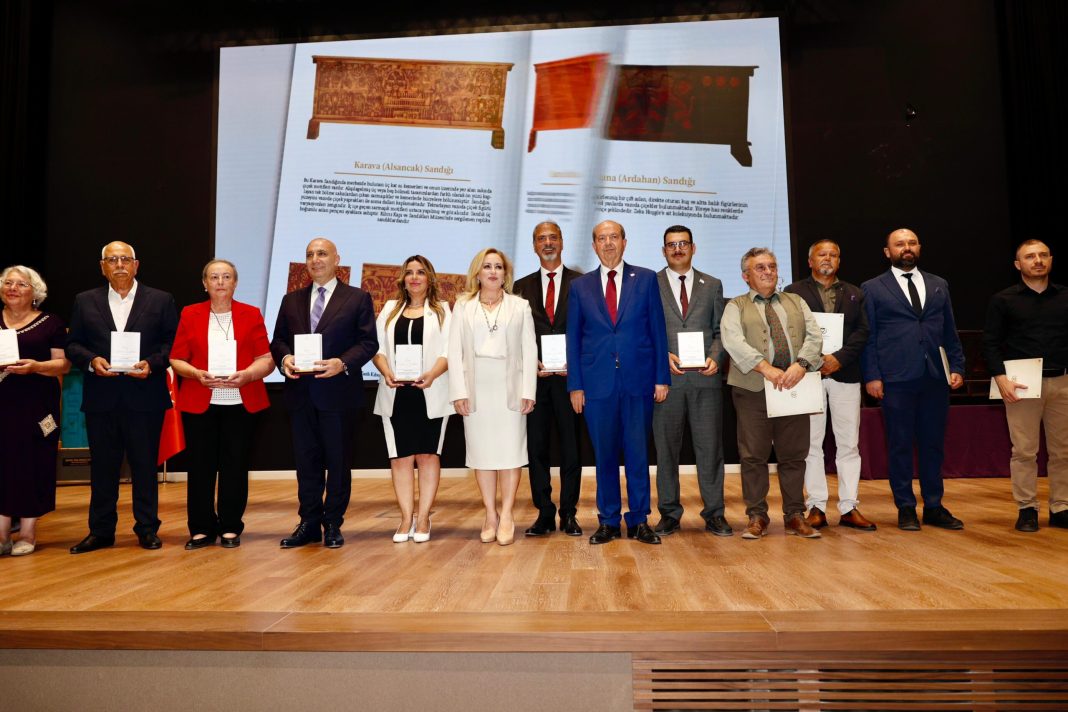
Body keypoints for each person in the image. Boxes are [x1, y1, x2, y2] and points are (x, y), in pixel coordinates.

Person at [66, 242, 178, 553]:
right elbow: (73, 345)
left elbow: (172, 343)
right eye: (112, 260)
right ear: (102, 267)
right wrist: (92, 361)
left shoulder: (161, 299)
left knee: (144, 467)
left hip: (145, 396)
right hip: (101, 398)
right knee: (103, 468)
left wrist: (152, 364)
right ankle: (101, 531)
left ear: (136, 265)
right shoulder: (84, 301)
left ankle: (147, 528)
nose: (119, 265)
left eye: (125, 259)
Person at [566, 220, 671, 545]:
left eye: (614, 237)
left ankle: (639, 520)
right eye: (602, 238)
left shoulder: (646, 279)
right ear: (594, 245)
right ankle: (608, 520)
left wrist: (661, 378)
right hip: (597, 385)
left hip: (638, 382)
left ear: (625, 242)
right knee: (605, 457)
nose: (608, 243)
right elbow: (573, 339)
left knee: (638, 454)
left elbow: (658, 330)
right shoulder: (580, 286)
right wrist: (575, 385)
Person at [271, 238, 378, 549]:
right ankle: (308, 522)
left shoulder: (357, 298)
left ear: (336, 259)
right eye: (310, 254)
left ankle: (332, 523)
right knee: (306, 462)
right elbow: (278, 341)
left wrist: (341, 363)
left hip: (339, 394)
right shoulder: (291, 300)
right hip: (300, 394)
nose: (315, 259)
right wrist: (285, 359)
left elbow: (368, 343)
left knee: (338, 462)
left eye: (322, 254)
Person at [861, 228, 966, 531]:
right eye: (899, 244)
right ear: (887, 252)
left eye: (911, 243)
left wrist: (957, 366)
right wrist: (872, 376)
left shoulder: (938, 284)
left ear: (919, 247)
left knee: (933, 445)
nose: (906, 248)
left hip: (935, 377)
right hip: (895, 379)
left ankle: (934, 505)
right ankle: (905, 507)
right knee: (900, 445)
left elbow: (949, 330)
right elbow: (869, 337)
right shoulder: (872, 288)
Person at [169, 259, 275, 550]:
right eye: (214, 277)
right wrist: (196, 374)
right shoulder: (190, 313)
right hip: (200, 400)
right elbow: (176, 358)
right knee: (200, 467)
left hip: (242, 402)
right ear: (204, 283)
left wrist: (247, 375)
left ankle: (230, 526)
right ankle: (201, 528)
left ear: (235, 282)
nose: (220, 282)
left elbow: (266, 359)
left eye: (226, 277)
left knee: (235, 466)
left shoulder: (251, 314)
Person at [721, 247, 825, 540]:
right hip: (752, 389)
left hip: (793, 387)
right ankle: (757, 516)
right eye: (760, 268)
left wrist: (801, 365)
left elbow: (815, 335)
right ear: (746, 276)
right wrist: (765, 368)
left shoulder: (796, 301)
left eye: (772, 266)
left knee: (794, 455)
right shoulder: (736, 306)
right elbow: (733, 340)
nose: (768, 272)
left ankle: (795, 515)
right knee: (753, 455)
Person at [448, 247, 537, 546]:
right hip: (476, 389)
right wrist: (458, 392)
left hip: (510, 388)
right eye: (487, 266)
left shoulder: (520, 306)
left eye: (498, 267)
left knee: (511, 453)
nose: (493, 271)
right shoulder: (463, 306)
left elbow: (529, 350)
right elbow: (454, 352)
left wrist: (528, 391)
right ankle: (490, 515)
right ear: (477, 272)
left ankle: (508, 514)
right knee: (482, 455)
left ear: (505, 274)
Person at [785, 240, 876, 531]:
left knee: (849, 443)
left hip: (845, 374)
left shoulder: (855, 293)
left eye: (833, 254)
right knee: (811, 444)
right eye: (821, 254)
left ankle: (849, 507)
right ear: (810, 261)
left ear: (839, 261)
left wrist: (839, 359)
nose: (828, 258)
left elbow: (863, 332)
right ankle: (817, 506)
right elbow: (790, 332)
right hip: (808, 375)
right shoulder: (793, 292)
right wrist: (813, 359)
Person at [982, 239, 1068, 532]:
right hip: (1022, 384)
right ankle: (1027, 508)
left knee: (1063, 451)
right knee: (1024, 451)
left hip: (1063, 381)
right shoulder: (1003, 300)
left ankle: (1061, 507)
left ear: (1051, 260)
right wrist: (1000, 378)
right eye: (1030, 256)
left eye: (1043, 255)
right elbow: (990, 343)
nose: (1038, 260)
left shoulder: (1065, 297)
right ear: (1019, 264)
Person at [651, 225, 731, 537]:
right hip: (666, 382)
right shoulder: (650, 284)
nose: (678, 249)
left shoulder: (712, 284)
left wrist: (716, 356)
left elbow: (720, 329)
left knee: (710, 450)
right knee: (666, 452)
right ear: (664, 251)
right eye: (671, 245)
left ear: (693, 248)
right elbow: (645, 330)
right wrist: (662, 356)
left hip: (705, 381)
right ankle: (669, 513)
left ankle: (715, 514)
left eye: (683, 243)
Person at [372, 255, 452, 543]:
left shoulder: (442, 310)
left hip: (430, 391)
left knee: (428, 456)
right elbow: (376, 348)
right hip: (396, 393)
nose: (414, 277)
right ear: (403, 279)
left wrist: (431, 374)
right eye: (409, 273)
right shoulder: (390, 309)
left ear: (429, 278)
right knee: (400, 458)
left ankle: (424, 517)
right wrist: (386, 372)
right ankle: (406, 518)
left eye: (420, 272)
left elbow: (449, 351)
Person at [512, 221, 583, 537]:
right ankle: (544, 513)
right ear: (534, 245)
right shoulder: (519, 288)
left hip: (571, 381)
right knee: (537, 449)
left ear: (562, 242)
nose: (548, 243)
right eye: (541, 238)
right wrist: (528, 363)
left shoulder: (581, 283)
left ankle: (569, 513)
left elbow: (589, 331)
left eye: (553, 237)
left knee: (571, 449)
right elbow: (514, 336)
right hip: (535, 381)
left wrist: (576, 365)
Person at [0, 266, 71, 556]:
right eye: (8, 283)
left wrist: (36, 367)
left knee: (33, 462)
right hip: (2, 405)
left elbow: (63, 364)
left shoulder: (51, 323)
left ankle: (28, 532)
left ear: (35, 292)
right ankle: (2, 534)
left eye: (21, 284)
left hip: (37, 406)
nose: (13, 288)